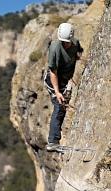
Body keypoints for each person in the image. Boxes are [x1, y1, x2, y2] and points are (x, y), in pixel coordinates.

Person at [44, 22, 83, 150]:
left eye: (67, 42)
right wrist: (57, 92)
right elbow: (53, 72)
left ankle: (56, 137)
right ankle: (53, 142)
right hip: (53, 81)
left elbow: (79, 53)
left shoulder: (75, 43)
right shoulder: (55, 48)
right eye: (63, 42)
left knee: (63, 108)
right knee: (59, 106)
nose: (65, 44)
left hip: (65, 80)